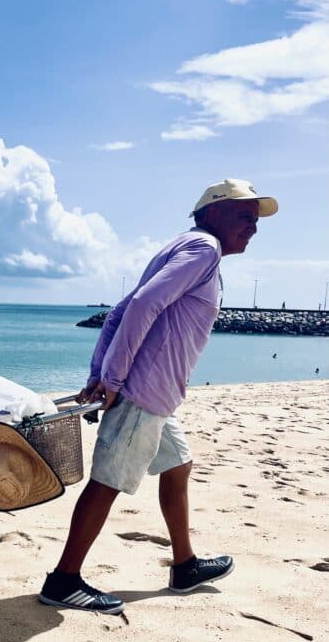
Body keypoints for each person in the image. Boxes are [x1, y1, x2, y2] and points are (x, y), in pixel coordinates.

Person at [39, 178, 278, 614]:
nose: (254, 227)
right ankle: (63, 581)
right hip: (144, 392)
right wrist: (111, 379)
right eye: (245, 216)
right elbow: (142, 305)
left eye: (256, 220)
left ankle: (185, 565)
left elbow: (119, 312)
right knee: (108, 480)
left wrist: (101, 374)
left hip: (156, 394)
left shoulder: (185, 246)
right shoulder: (203, 248)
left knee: (177, 464)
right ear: (213, 212)